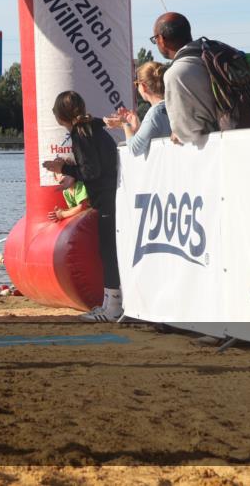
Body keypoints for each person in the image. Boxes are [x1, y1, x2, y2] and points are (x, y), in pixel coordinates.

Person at [42, 91, 121, 322]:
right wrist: (70, 174)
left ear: (60, 117)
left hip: (106, 199)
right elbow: (93, 167)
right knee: (108, 251)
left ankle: (113, 307)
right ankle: (110, 304)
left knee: (108, 253)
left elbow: (91, 171)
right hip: (112, 195)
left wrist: (64, 170)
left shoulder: (81, 132)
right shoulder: (92, 128)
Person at [151, 12, 218, 146]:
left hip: (215, 155)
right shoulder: (213, 54)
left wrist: (178, 134)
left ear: (161, 40)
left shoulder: (175, 74)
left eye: (154, 39)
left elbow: (185, 133)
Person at [104, 61, 172, 156]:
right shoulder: (175, 106)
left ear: (143, 87)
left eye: (137, 84)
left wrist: (125, 124)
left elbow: (134, 149)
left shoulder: (154, 113)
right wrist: (137, 128)